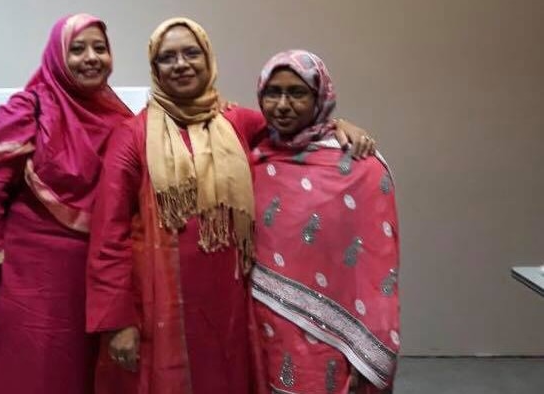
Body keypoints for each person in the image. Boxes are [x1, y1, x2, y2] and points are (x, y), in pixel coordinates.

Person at [85, 18, 375, 394]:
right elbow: (108, 235)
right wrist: (118, 321)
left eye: (191, 53)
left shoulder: (237, 121)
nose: (181, 64)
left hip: (228, 299)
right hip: (158, 302)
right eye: (167, 57)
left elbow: (295, 129)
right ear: (154, 69)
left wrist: (339, 125)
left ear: (208, 59)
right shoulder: (131, 137)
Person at [0, 13, 132, 394]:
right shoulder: (28, 109)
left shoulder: (120, 117)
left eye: (100, 48)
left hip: (97, 273)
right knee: (33, 372)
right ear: (56, 55)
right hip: (32, 279)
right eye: (77, 49)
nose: (91, 58)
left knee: (88, 373)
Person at [250, 50, 400, 393]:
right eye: (273, 93)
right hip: (265, 319)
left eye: (297, 93)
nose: (283, 105)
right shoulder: (253, 157)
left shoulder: (361, 167)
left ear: (320, 97)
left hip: (338, 331)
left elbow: (379, 265)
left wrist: (371, 339)